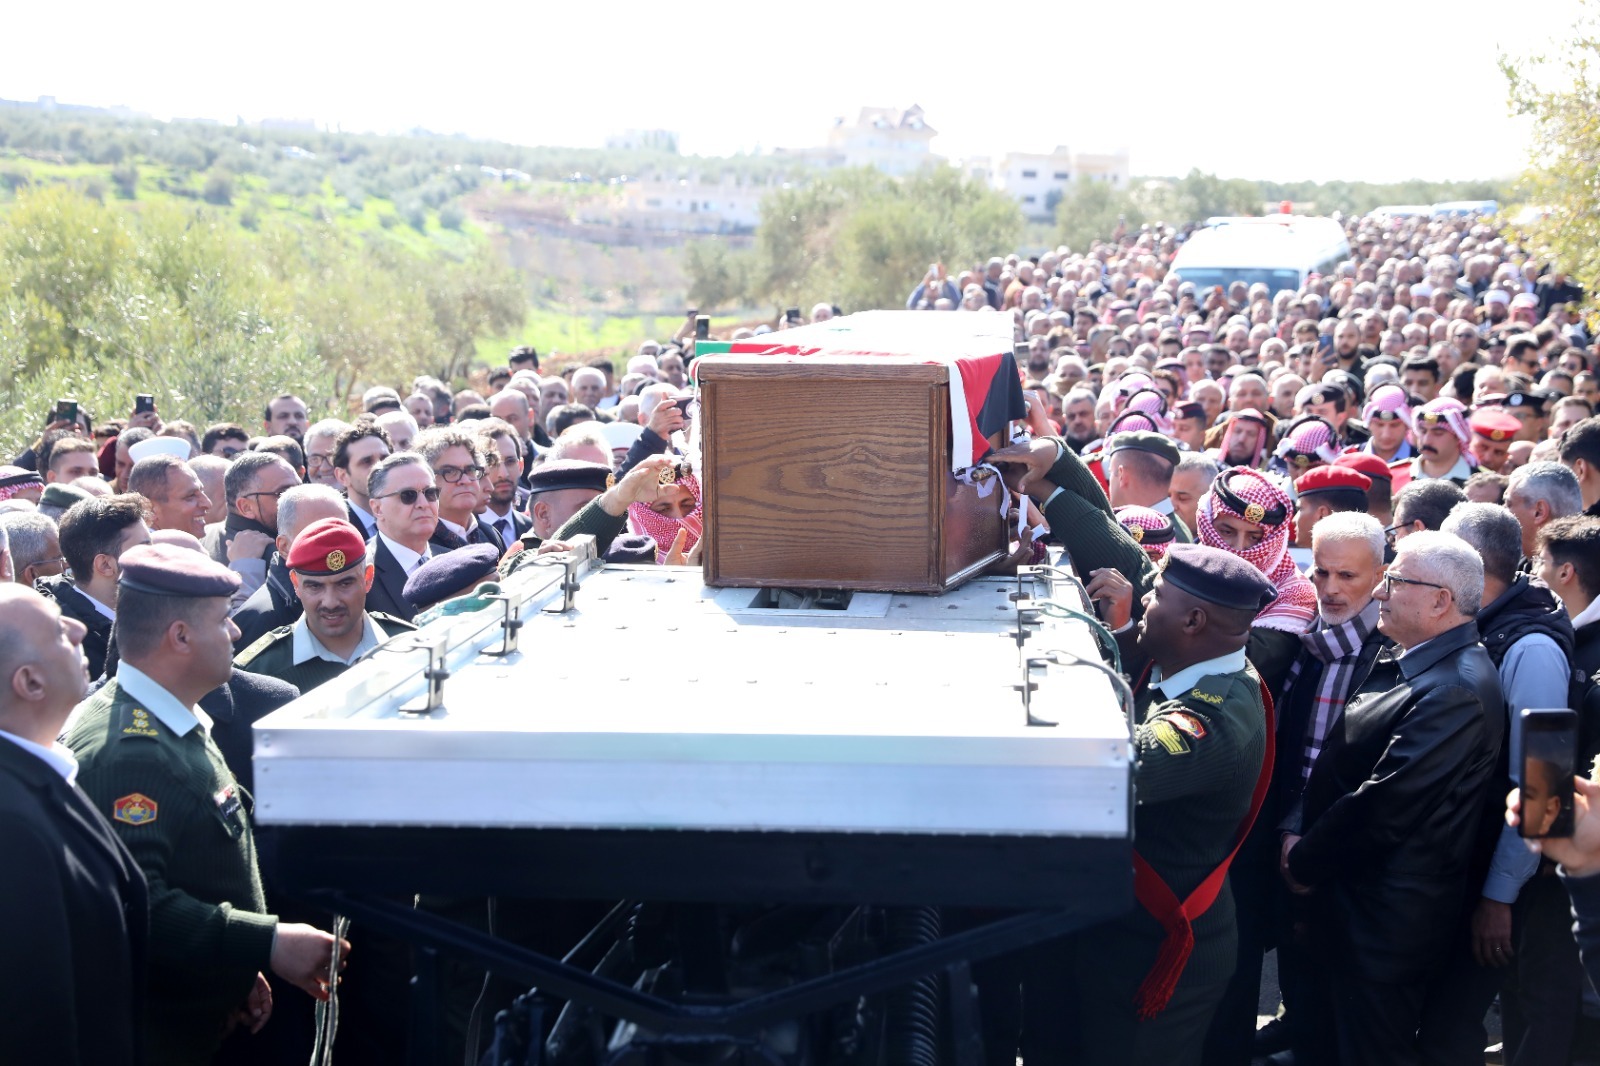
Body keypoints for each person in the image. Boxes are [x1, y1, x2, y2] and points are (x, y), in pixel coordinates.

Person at [64, 544, 347, 1065]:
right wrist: (263, 943)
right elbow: (135, 905)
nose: (236, 632)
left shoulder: (168, 716)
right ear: (181, 636)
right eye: (224, 621)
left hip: (204, 1017)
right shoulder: (129, 753)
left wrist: (232, 970)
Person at [1020, 544, 1276, 1066]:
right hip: (1125, 931)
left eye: (1155, 596)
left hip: (1159, 949)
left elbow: (1113, 763)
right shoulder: (1190, 668)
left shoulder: (1214, 716)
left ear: (1193, 620)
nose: (1143, 605)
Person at [1283, 531, 1503, 1066]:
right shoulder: (1418, 659)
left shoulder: (1453, 688)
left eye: (1396, 581)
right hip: (1357, 912)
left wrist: (1304, 859)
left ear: (1440, 601)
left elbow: (1384, 805)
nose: (1380, 592)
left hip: (1383, 927)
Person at [1438, 503, 1575, 1064]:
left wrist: (1499, 897)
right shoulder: (1480, 626)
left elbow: (1545, 786)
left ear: (1468, 565)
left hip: (1502, 882)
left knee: (1451, 1027)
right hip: (1465, 863)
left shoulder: (1532, 648)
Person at [0, 584, 148, 1065]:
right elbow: (34, 1020)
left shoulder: (36, 775)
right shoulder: (11, 826)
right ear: (30, 683)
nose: (80, 627)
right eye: (59, 633)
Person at [235, 518, 415, 691]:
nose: (330, 602)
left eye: (344, 584)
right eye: (315, 586)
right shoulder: (260, 672)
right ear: (296, 584)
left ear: (368, 578)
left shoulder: (411, 646)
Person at [230, 484, 349, 651]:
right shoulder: (259, 620)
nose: (331, 546)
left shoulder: (365, 591)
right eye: (316, 536)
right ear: (284, 547)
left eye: (341, 533)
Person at [199, 451, 299, 597]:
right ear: (246, 507)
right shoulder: (279, 557)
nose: (299, 499)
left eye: (299, 489)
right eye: (283, 493)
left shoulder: (204, 534)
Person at [364, 452, 440, 622]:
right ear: (377, 508)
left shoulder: (451, 557)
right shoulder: (360, 574)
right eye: (408, 495)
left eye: (430, 493)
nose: (423, 504)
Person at [415, 426, 502, 554]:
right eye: (450, 472)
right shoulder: (420, 545)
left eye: (470, 470)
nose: (465, 480)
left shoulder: (490, 534)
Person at [1104, 431, 1193, 542]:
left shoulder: (1148, 537)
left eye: (1111, 473)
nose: (1110, 482)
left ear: (1122, 475)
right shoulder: (1174, 529)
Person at [1504, 460, 1585, 564]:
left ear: (1539, 512)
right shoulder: (1515, 567)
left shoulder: (1589, 574)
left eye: (1508, 504)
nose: (1502, 510)